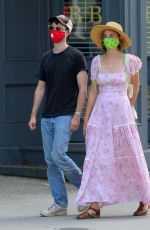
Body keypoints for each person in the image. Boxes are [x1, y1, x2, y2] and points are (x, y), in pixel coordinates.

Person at [76, 21, 150, 219]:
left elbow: (136, 86)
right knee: (97, 157)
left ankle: (145, 199)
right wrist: (86, 118)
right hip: (100, 115)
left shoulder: (130, 61)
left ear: (119, 38)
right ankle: (94, 205)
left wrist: (127, 105)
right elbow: (93, 91)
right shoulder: (97, 62)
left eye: (112, 35)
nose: (108, 39)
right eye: (105, 36)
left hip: (122, 117)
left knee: (131, 156)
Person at [28, 15, 88, 217]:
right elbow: (40, 87)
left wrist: (76, 115)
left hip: (65, 114)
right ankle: (60, 204)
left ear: (68, 32)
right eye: (52, 26)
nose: (54, 29)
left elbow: (83, 89)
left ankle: (86, 192)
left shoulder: (76, 56)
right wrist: (34, 114)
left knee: (58, 155)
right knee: (51, 161)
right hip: (47, 117)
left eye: (58, 26)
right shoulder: (46, 58)